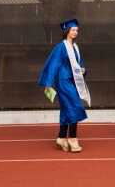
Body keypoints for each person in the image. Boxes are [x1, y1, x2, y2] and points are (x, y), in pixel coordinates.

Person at [39, 18, 90, 153]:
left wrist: (83, 70)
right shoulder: (61, 47)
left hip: (73, 80)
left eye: (77, 30)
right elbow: (54, 64)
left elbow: (80, 63)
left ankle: (61, 138)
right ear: (66, 31)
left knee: (67, 109)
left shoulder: (75, 47)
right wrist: (48, 83)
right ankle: (73, 138)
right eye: (73, 30)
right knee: (75, 106)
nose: (75, 32)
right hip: (63, 81)